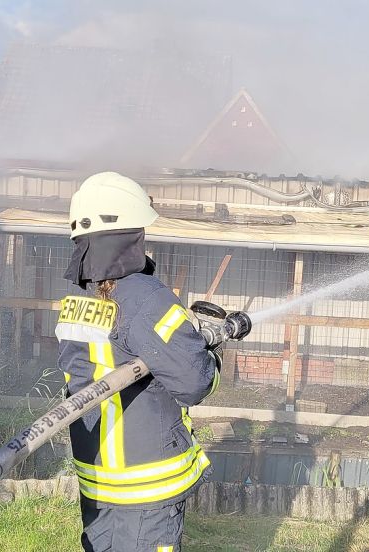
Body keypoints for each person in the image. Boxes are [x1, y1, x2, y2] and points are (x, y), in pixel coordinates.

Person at [59, 172, 221, 552]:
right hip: (146, 480)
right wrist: (209, 353)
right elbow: (194, 381)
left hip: (99, 475)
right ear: (130, 235)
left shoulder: (78, 301)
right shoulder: (147, 298)